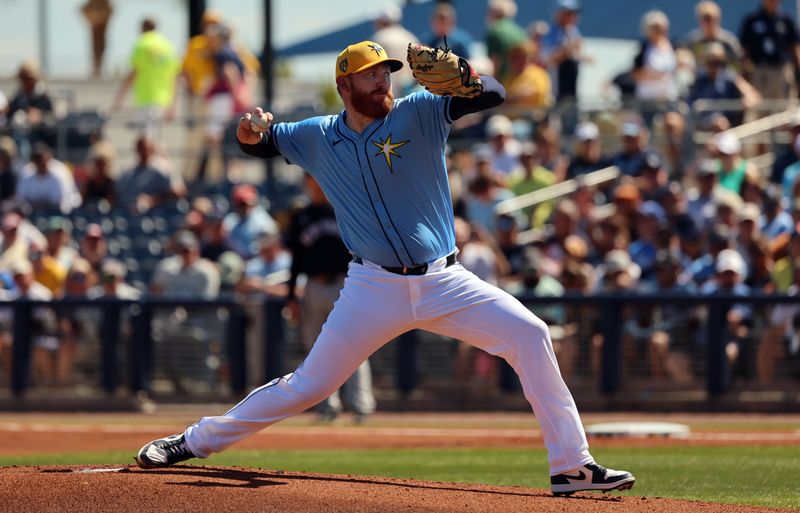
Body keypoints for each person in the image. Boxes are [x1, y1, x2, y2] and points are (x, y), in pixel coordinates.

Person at [135, 40, 635, 495]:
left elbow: (495, 97)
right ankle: (194, 441)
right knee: (310, 385)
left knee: (531, 334)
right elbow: (259, 142)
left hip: (445, 280)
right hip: (371, 286)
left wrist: (473, 79)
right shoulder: (316, 136)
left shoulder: (420, 111)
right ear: (344, 85)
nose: (384, 79)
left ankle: (572, 467)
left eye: (387, 71)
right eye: (372, 73)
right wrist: (248, 131)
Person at [285, 174, 375, 423]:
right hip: (313, 285)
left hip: (344, 284)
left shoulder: (344, 208)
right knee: (316, 350)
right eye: (311, 178)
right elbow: (295, 260)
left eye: (317, 177)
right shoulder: (301, 216)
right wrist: (291, 295)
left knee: (354, 346)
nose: (315, 182)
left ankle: (361, 405)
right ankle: (327, 406)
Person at [110, 18, 180, 135]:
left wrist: (119, 99)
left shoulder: (142, 44)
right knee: (153, 137)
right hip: (164, 99)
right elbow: (174, 77)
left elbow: (134, 73)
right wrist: (172, 105)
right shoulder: (168, 45)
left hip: (146, 97)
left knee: (147, 139)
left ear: (142, 28)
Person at [739, 0, 800, 102]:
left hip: (783, 72)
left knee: (784, 112)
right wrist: (745, 78)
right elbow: (745, 53)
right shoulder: (751, 21)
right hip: (760, 73)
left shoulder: (787, 21)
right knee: (760, 111)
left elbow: (795, 50)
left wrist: (798, 76)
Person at [114, 135, 186, 212]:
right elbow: (116, 193)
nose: (143, 152)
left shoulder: (163, 168)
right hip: (130, 213)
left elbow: (179, 191)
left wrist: (153, 200)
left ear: (152, 149)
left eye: (146, 148)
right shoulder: (127, 171)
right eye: (141, 148)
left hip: (158, 213)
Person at [15, 143, 82, 214]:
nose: (41, 163)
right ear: (33, 161)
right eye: (37, 161)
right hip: (33, 213)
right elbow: (20, 198)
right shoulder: (27, 172)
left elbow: (64, 200)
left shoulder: (60, 171)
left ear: (49, 158)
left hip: (61, 212)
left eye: (43, 160)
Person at [678, 1, 743, 69]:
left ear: (718, 19)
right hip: (696, 78)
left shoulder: (728, 41)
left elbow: (738, 62)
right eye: (704, 18)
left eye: (710, 18)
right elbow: (680, 54)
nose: (708, 22)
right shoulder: (691, 41)